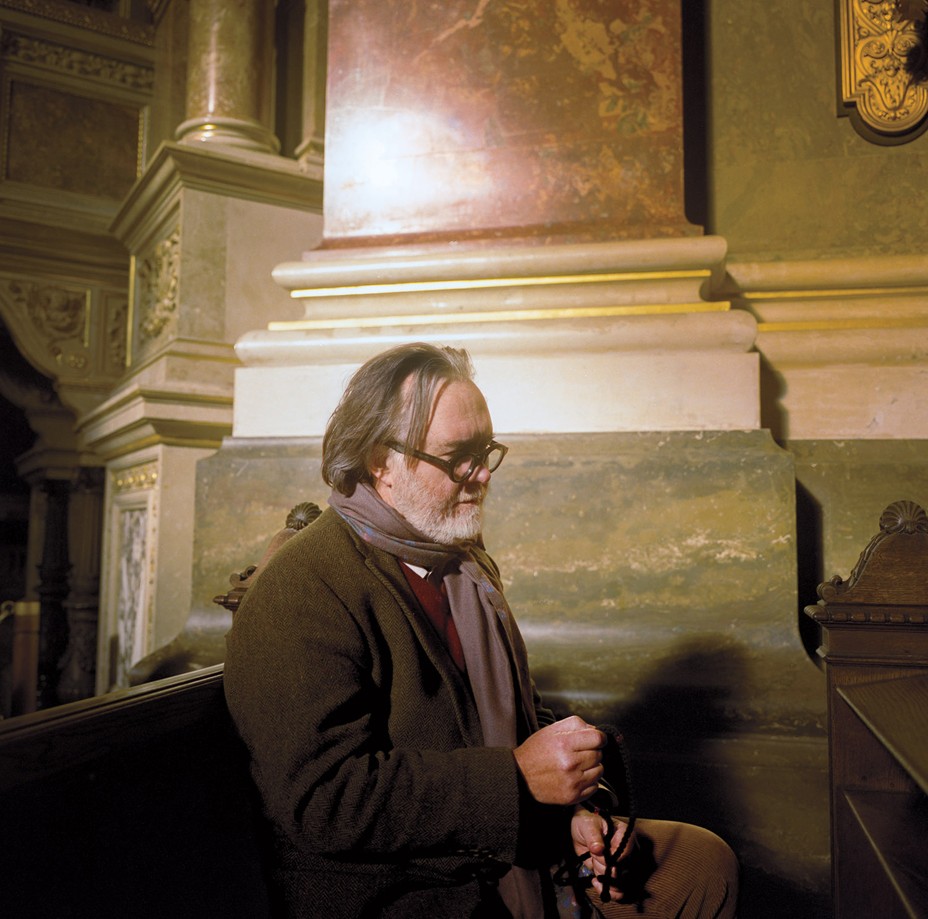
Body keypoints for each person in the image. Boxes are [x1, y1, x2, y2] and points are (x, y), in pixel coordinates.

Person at [224, 342, 738, 918]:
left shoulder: (462, 565)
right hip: (408, 886)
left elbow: (520, 714)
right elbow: (327, 801)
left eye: (485, 451)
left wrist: (579, 811)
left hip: (512, 839)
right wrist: (517, 781)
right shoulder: (303, 589)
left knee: (702, 864)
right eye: (455, 457)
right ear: (378, 461)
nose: (478, 476)